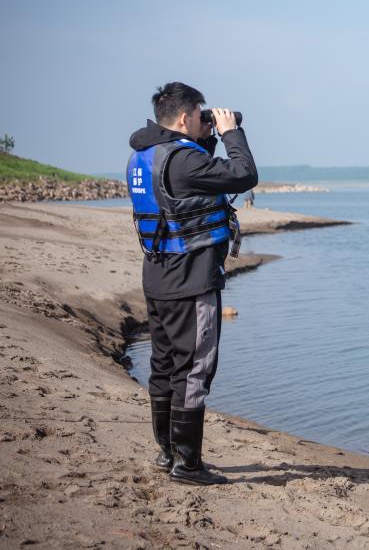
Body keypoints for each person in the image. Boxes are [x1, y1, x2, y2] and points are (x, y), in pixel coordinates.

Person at [126, 82, 258, 485]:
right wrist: (232, 132)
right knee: (195, 370)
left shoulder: (145, 155)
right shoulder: (184, 160)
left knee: (164, 366)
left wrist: (208, 137)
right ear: (184, 117)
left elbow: (192, 186)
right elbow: (244, 174)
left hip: (158, 278)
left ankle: (166, 453)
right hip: (191, 281)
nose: (208, 120)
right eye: (202, 115)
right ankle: (188, 465)